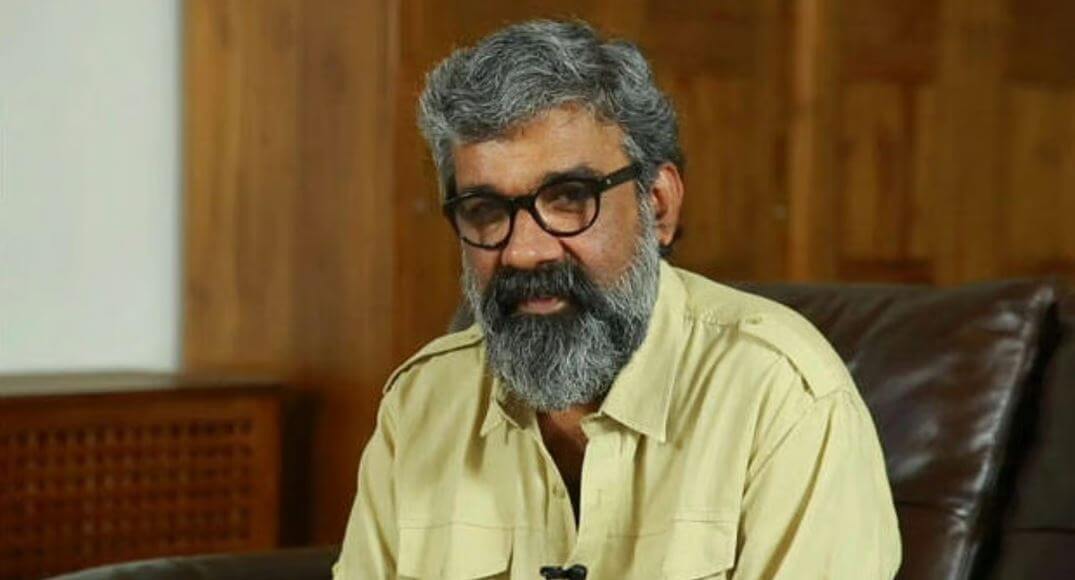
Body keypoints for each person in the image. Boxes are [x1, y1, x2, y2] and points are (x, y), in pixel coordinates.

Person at [333, 20, 900, 579]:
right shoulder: (422, 403)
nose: (525, 252)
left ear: (658, 205)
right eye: (485, 210)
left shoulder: (781, 397)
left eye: (569, 199)